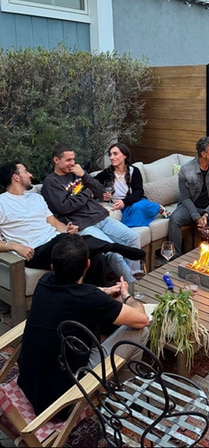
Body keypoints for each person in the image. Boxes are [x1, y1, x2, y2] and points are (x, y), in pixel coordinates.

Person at [17, 234, 149, 416]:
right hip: (63, 399)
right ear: (87, 265)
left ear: (53, 266)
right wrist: (127, 296)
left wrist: (104, 292)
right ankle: (124, 394)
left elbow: (79, 293)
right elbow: (142, 319)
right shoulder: (90, 299)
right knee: (140, 331)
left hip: (31, 383)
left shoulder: (44, 283)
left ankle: (119, 389)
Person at [42, 144, 142, 283]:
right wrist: (88, 193)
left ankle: (135, 275)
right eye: (68, 160)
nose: (72, 163)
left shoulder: (76, 175)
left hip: (100, 217)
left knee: (134, 238)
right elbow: (64, 207)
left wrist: (84, 175)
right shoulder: (51, 182)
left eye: (73, 159)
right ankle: (133, 287)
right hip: (83, 225)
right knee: (114, 253)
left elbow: (100, 191)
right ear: (56, 160)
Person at [168, 136, 209, 258]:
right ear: (204, 154)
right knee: (174, 219)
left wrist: (205, 214)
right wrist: (196, 217)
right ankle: (174, 259)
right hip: (191, 206)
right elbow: (185, 197)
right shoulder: (186, 170)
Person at [94, 142, 170, 227]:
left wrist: (124, 202)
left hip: (132, 202)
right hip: (116, 205)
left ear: (125, 155)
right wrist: (101, 195)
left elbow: (139, 192)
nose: (112, 157)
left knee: (139, 206)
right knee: (132, 212)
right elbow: (92, 184)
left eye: (115, 154)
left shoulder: (134, 171)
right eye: (110, 155)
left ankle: (157, 208)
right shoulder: (106, 173)